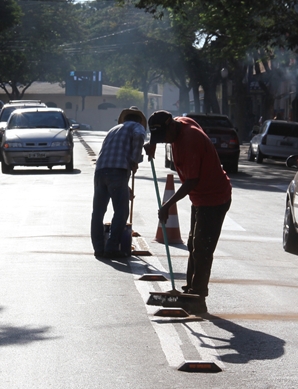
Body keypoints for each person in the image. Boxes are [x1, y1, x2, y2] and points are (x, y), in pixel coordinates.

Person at [144, 110, 232, 311]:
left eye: (163, 136)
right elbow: (164, 134)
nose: (164, 141)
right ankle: (190, 289)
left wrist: (167, 205)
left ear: (171, 126)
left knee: (202, 248)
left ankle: (198, 296)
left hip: (214, 197)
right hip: (200, 198)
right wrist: (153, 143)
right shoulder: (179, 124)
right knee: (194, 244)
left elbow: (191, 181)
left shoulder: (190, 140)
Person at [91, 107, 147, 259]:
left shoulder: (113, 129)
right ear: (140, 120)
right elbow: (139, 137)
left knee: (98, 212)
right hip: (118, 171)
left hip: (100, 172)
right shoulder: (137, 128)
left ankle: (98, 248)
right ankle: (112, 247)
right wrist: (135, 160)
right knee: (121, 212)